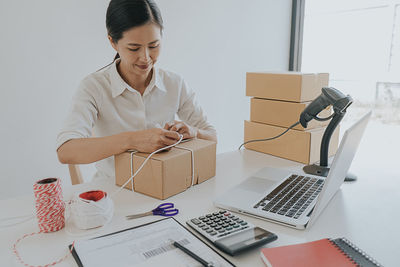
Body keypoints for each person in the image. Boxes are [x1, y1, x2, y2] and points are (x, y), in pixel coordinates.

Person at [56, 0, 217, 180]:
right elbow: (66, 150)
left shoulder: (175, 83)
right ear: (113, 42)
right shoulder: (94, 87)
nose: (145, 57)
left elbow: (212, 137)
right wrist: (132, 140)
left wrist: (194, 132)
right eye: (134, 48)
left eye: (154, 46)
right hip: (114, 195)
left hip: (168, 191)